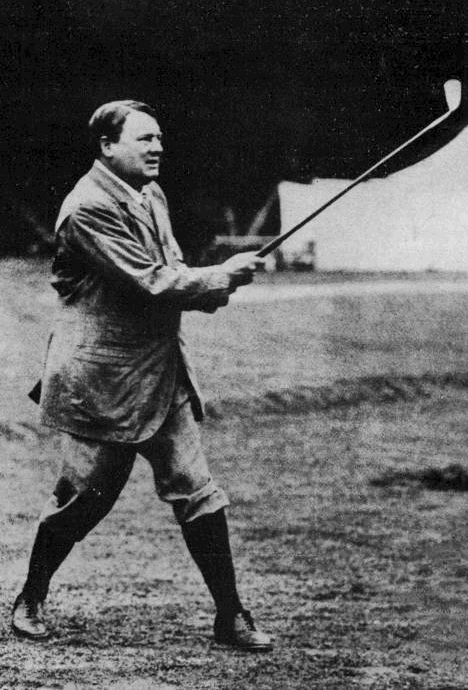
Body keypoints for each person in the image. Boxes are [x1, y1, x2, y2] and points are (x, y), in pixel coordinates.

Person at [11, 100, 272, 652]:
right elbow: (150, 282)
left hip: (161, 372)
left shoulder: (150, 193)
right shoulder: (86, 208)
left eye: (159, 138)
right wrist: (219, 275)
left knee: (198, 490)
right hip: (100, 380)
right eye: (143, 139)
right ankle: (31, 595)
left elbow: (172, 270)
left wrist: (218, 283)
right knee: (83, 499)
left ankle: (231, 614)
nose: (157, 148)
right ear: (107, 146)